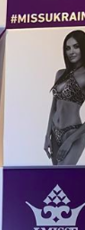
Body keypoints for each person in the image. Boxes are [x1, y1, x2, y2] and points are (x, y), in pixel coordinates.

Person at [44, 30, 85, 165]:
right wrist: (47, 135)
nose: (71, 52)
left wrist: (70, 140)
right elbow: (53, 107)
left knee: (64, 174)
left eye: (76, 46)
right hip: (54, 133)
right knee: (56, 175)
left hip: (74, 133)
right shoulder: (60, 74)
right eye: (68, 48)